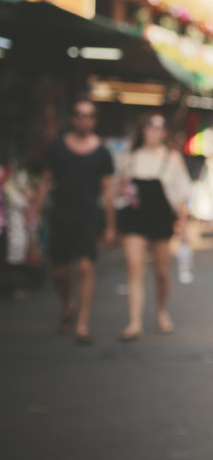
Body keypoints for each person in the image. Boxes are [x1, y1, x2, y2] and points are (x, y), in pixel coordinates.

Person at [32, 100, 115, 345]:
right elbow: (46, 182)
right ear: (71, 118)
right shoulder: (57, 148)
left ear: (94, 120)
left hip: (88, 217)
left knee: (86, 268)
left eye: (89, 115)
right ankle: (68, 304)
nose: (83, 119)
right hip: (60, 216)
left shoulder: (102, 153)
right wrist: (35, 212)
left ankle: (82, 324)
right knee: (59, 271)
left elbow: (107, 191)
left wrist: (111, 226)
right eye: (79, 114)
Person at [117, 112, 191, 340]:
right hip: (134, 217)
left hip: (160, 216)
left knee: (161, 271)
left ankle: (162, 312)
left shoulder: (172, 158)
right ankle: (135, 322)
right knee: (134, 267)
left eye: (161, 127)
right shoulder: (129, 157)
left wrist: (184, 227)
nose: (155, 131)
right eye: (151, 125)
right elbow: (116, 187)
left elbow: (181, 195)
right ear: (143, 128)